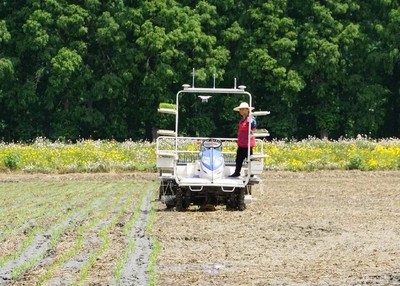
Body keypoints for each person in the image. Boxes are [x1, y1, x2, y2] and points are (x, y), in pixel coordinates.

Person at [229, 102, 257, 177]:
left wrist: (251, 121)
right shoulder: (242, 120)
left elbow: (254, 125)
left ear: (247, 110)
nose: (241, 111)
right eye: (240, 109)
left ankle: (251, 173)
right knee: (238, 160)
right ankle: (237, 172)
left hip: (247, 144)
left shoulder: (250, 118)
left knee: (249, 160)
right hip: (242, 143)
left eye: (242, 109)